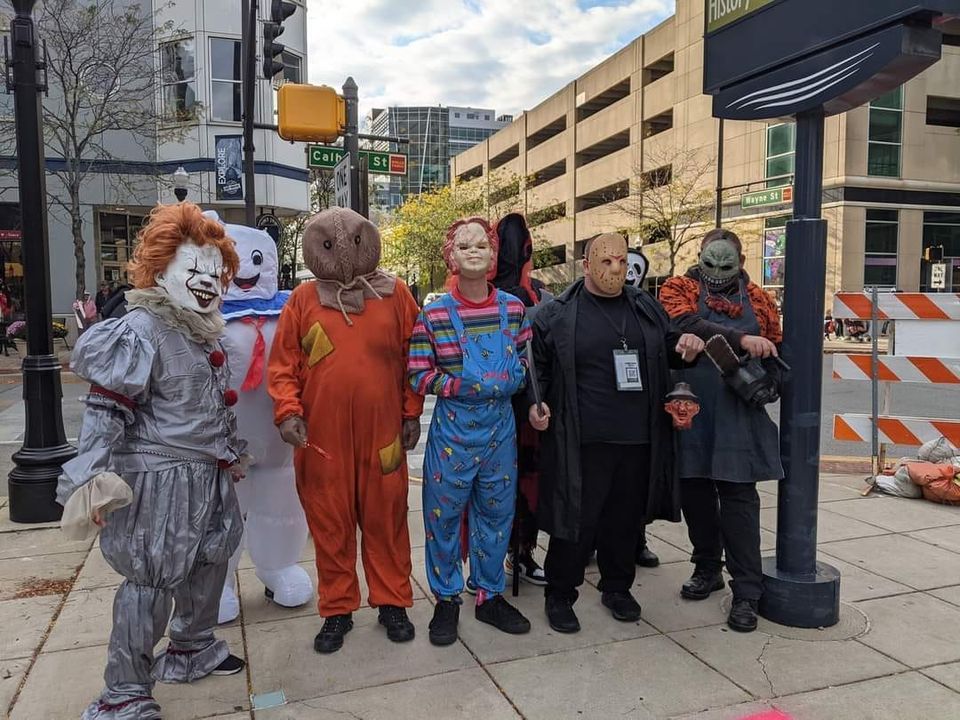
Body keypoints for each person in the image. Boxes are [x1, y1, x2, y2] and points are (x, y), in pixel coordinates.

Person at [57, 202, 247, 720]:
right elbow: (104, 411)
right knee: (151, 577)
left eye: (214, 272)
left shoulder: (200, 329)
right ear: (160, 269)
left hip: (206, 473)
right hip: (159, 480)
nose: (206, 281)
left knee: (211, 555)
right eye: (194, 269)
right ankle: (124, 692)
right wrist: (91, 478)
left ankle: (191, 647)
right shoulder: (140, 328)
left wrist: (228, 454)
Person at [528, 232, 705, 634]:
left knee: (625, 520)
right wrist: (535, 406)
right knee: (577, 521)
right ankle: (560, 593)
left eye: (622, 262)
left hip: (639, 436)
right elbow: (536, 369)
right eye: (606, 262)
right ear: (586, 265)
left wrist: (688, 348)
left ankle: (617, 587)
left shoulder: (645, 307)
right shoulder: (556, 314)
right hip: (582, 439)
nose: (615, 269)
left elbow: (670, 346)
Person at [268, 207, 423, 654]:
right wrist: (288, 411)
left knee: (386, 516)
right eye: (331, 245)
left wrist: (411, 412)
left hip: (385, 434)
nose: (343, 254)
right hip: (322, 437)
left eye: (353, 242)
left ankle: (392, 600)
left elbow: (416, 356)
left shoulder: (395, 295)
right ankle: (337, 608)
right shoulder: (303, 299)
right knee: (330, 520)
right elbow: (283, 365)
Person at [409, 217, 532, 646]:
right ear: (451, 256)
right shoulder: (435, 313)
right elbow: (418, 374)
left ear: (496, 255)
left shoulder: (514, 309)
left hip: (501, 433)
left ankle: (488, 595)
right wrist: (458, 386)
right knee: (441, 519)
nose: (474, 251)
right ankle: (446, 600)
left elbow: (528, 362)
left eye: (482, 245)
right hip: (453, 435)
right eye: (464, 246)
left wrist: (526, 392)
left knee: (496, 516)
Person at [659, 227, 783, 633]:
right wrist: (742, 338)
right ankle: (707, 566)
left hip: (737, 414)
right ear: (698, 256)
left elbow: (778, 350)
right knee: (695, 492)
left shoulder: (762, 302)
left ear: (742, 262)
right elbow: (682, 323)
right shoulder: (678, 288)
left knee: (739, 500)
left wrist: (766, 369)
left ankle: (747, 591)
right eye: (709, 263)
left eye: (725, 265)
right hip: (691, 410)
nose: (716, 272)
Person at [216, 219, 314, 624]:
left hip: (279, 436)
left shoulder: (289, 309)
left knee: (281, 499)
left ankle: (279, 564)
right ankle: (214, 580)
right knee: (220, 505)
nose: (245, 269)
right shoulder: (204, 314)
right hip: (221, 440)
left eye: (255, 259)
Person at [490, 211, 549, 587]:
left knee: (528, 483)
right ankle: (493, 559)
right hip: (493, 408)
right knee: (493, 488)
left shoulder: (539, 294)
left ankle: (521, 551)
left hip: (529, 404)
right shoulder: (483, 292)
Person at [625, 246, 661, 569]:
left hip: (640, 408)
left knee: (636, 485)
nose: (627, 273)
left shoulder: (649, 308)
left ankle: (637, 539)